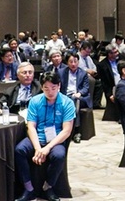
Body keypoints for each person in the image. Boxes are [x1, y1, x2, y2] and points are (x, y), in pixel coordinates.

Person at [14, 72, 76, 201]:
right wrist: (38, 148)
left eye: (53, 88)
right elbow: (31, 126)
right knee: (19, 150)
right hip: (38, 137)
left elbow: (66, 131)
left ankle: (48, 187)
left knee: (59, 155)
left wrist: (47, 148)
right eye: (46, 88)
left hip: (56, 140)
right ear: (42, 87)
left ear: (59, 86)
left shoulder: (67, 103)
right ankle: (28, 188)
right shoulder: (35, 101)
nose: (50, 92)